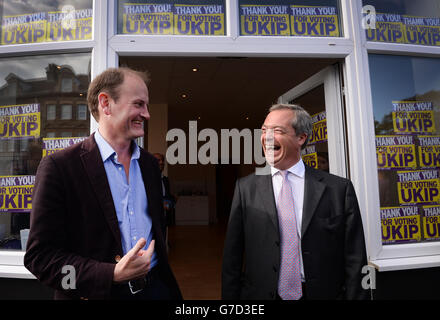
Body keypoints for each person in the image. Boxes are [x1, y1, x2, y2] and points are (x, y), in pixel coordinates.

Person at [24, 67, 182, 300]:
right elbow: (41, 259)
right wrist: (109, 274)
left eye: (146, 106)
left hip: (156, 290)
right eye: (139, 104)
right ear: (105, 103)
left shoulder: (149, 165)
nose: (147, 114)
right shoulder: (60, 167)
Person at [222, 104, 369, 300]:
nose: (267, 137)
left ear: (301, 138)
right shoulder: (245, 188)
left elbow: (355, 259)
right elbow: (231, 260)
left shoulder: (338, 190)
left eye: (277, 130)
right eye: (264, 130)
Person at [153, 153, 176, 227]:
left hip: (164, 218)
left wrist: (173, 200)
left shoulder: (165, 180)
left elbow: (167, 196)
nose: (161, 162)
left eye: (162, 160)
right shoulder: (146, 179)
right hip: (151, 219)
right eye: (158, 160)